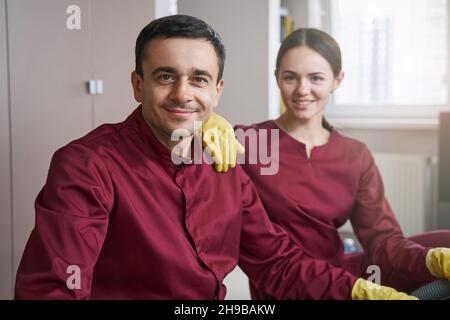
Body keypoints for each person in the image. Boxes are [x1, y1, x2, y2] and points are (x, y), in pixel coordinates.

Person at [15, 15, 416, 300]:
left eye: (199, 79)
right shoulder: (87, 166)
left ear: (218, 91)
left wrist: (359, 292)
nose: (183, 93)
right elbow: (51, 288)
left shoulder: (226, 166)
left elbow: (278, 262)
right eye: (166, 76)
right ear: (138, 85)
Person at [230, 28, 450, 299]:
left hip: (343, 273)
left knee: (445, 241)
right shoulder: (247, 142)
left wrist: (431, 259)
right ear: (277, 77)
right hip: (289, 283)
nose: (302, 90)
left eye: (316, 78)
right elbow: (182, 152)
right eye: (290, 77)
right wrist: (204, 129)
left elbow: (383, 242)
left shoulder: (354, 154)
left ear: (337, 79)